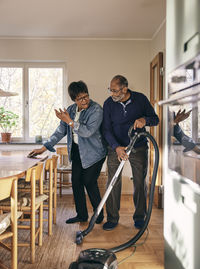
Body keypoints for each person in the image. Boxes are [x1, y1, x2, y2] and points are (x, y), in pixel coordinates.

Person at [29, 81, 107, 224]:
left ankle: (99, 214)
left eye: (86, 96)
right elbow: (60, 131)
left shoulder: (96, 110)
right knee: (76, 182)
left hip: (94, 152)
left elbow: (88, 132)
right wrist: (44, 147)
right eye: (80, 98)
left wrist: (70, 121)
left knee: (89, 182)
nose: (84, 100)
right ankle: (81, 215)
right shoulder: (71, 110)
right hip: (77, 151)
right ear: (74, 100)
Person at [102, 75, 159, 231]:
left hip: (138, 146)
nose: (112, 93)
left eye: (114, 90)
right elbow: (106, 129)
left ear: (124, 89)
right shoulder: (108, 104)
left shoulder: (140, 99)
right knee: (113, 181)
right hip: (116, 147)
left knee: (140, 182)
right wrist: (116, 147)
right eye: (110, 90)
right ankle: (113, 218)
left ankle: (140, 217)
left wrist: (144, 120)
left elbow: (155, 119)